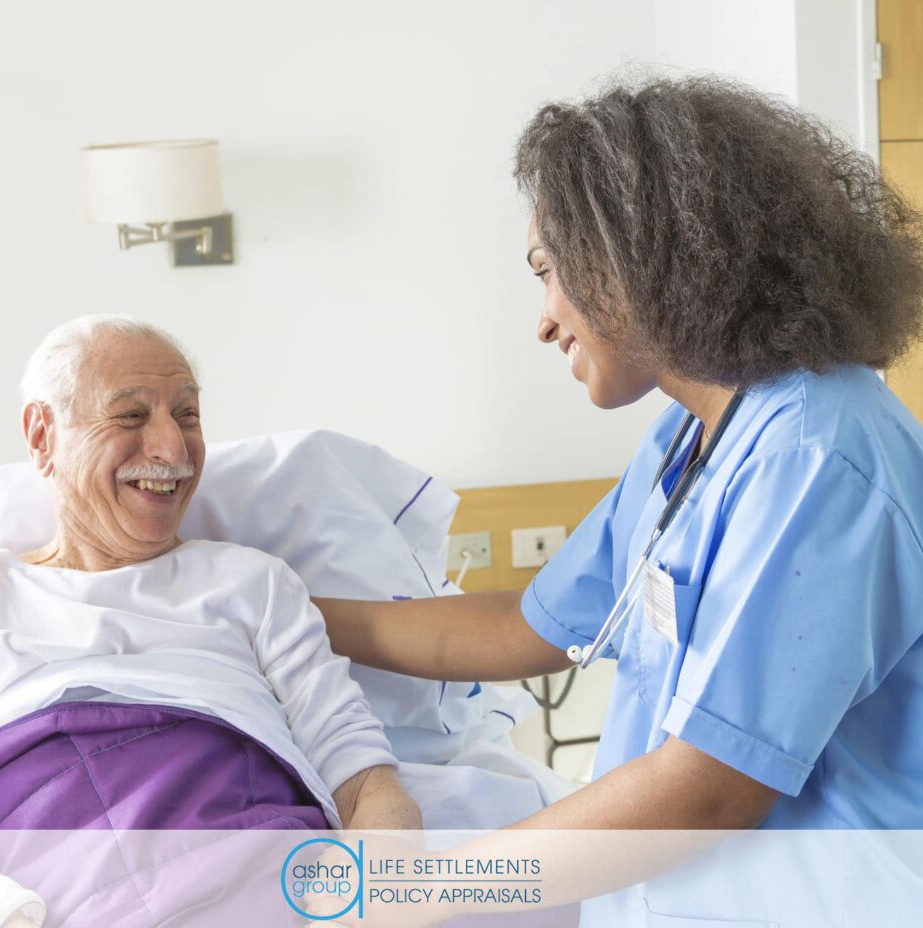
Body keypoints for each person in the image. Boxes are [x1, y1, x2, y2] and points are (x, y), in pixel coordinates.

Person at [315, 75, 923, 919]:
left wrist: (430, 889)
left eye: (549, 272)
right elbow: (525, 624)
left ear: (635, 257)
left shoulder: (818, 453)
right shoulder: (693, 437)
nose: (545, 320)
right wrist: (282, 615)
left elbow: (707, 790)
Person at [0, 315, 420, 928]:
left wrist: (369, 905)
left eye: (188, 415)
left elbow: (364, 784)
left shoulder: (255, 584)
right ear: (42, 435)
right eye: (131, 416)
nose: (172, 449)